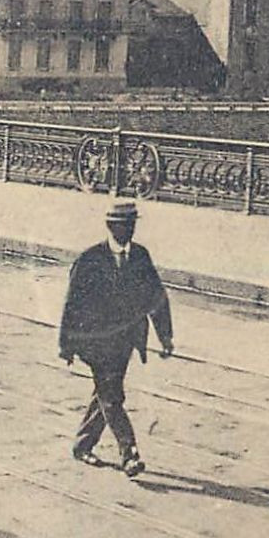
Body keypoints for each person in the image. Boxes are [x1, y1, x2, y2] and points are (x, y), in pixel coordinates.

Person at [58, 202, 174, 477]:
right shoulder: (89, 259)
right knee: (112, 396)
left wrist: (165, 337)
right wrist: (66, 344)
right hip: (95, 343)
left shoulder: (141, 257)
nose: (130, 230)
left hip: (125, 342)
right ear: (111, 227)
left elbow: (156, 297)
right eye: (125, 225)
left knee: (105, 393)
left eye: (133, 224)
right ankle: (129, 452)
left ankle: (83, 444)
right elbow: (71, 304)